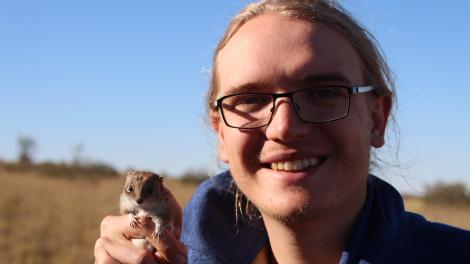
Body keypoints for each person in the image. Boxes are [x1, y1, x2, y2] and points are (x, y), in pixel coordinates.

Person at [94, 0, 470, 263]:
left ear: (377, 118)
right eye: (251, 99)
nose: (285, 127)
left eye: (324, 92)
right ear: (220, 132)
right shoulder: (167, 256)